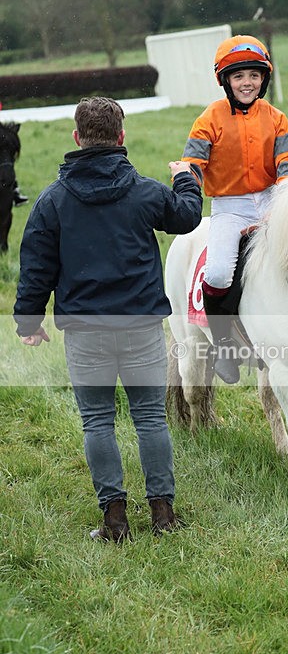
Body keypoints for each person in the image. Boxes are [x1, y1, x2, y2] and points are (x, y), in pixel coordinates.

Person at [13, 96, 204, 542]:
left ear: (77, 138)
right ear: (121, 138)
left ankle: (115, 523)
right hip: (140, 326)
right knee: (150, 418)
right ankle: (162, 515)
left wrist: (28, 321)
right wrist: (185, 178)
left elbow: (36, 266)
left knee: (97, 421)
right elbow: (188, 216)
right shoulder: (145, 191)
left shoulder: (52, 201)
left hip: (85, 331)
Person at [182, 34, 288, 384]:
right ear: (225, 81)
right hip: (229, 207)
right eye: (238, 76)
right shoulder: (209, 119)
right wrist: (186, 180)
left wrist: (283, 200)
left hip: (271, 199)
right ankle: (223, 345)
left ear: (263, 78)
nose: (247, 82)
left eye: (253, 75)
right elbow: (193, 164)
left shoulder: (277, 118)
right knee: (218, 273)